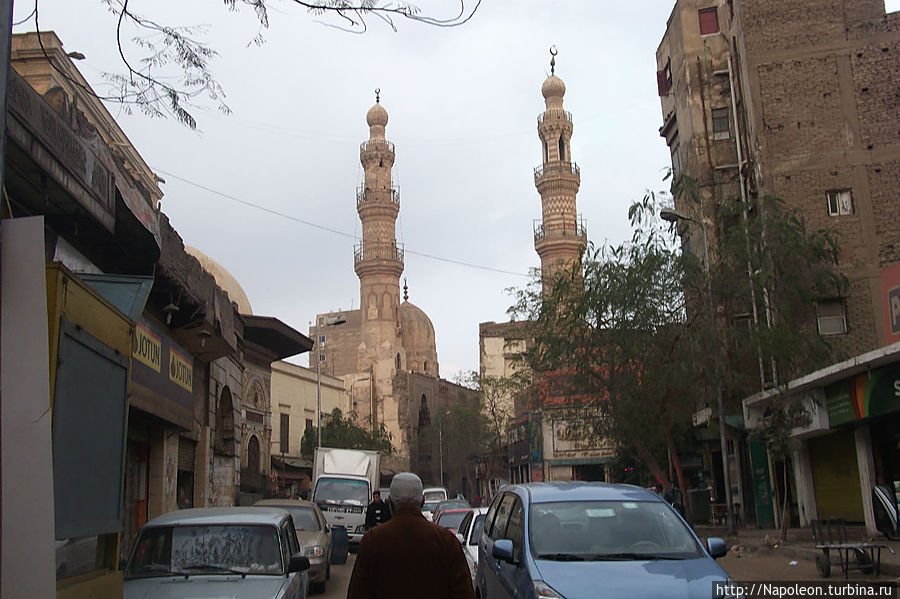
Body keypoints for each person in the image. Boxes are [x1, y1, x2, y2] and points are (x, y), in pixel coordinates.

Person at [347, 472, 475, 599]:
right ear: (423, 502)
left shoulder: (372, 541)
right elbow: (464, 593)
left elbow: (358, 593)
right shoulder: (447, 542)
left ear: (390, 502)